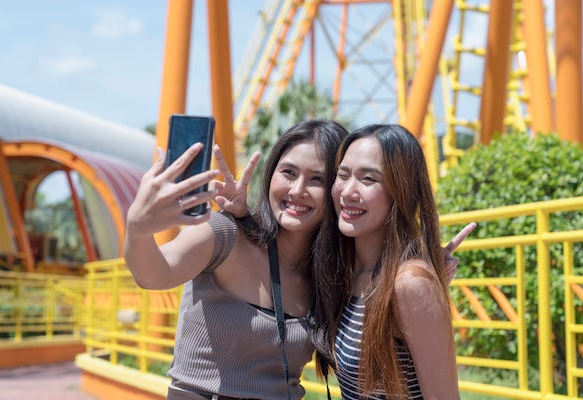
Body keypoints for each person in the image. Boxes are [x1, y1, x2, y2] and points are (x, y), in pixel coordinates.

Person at [124, 119, 350, 400]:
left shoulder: (330, 274)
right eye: (289, 172)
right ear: (271, 175)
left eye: (317, 179)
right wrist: (138, 228)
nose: (297, 189)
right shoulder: (226, 235)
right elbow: (154, 275)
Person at [328, 123, 465, 399]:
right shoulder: (350, 272)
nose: (347, 191)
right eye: (342, 175)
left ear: (400, 191)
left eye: (368, 179)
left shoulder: (410, 283)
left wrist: (424, 285)